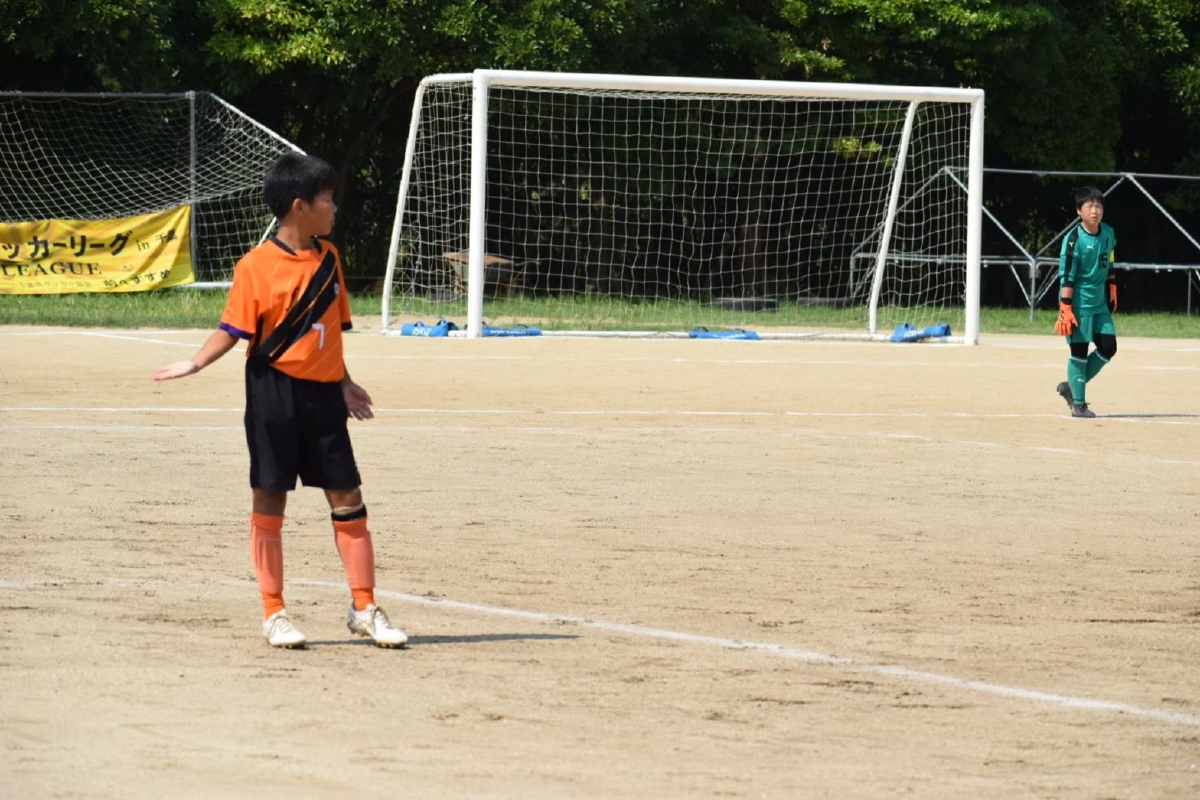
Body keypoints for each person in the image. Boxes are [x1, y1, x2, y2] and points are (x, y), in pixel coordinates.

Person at [152, 152, 407, 649]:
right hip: (273, 393)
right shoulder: (255, 265)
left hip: (324, 397)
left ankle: (364, 608)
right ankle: (274, 613)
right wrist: (196, 363)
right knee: (270, 497)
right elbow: (232, 329)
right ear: (299, 206)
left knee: (348, 498)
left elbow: (325, 332)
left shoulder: (330, 259)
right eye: (327, 199)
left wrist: (344, 382)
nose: (334, 207)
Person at [1054, 186, 1118, 419]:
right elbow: (1067, 276)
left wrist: (1112, 285)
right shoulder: (1073, 240)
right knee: (1079, 352)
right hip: (1078, 304)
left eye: (1098, 206)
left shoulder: (1108, 232)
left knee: (1108, 347)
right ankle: (1078, 405)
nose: (1095, 210)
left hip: (1099, 303)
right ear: (1078, 210)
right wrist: (1065, 307)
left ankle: (1071, 386)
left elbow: (1110, 258)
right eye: (1089, 206)